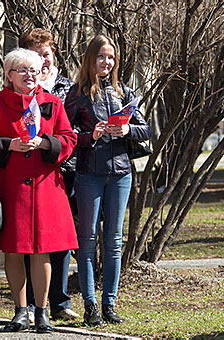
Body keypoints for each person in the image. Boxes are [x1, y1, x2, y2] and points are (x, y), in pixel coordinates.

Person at [0, 48, 78, 333]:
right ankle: (20, 311)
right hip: (11, 189)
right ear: (9, 75)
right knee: (13, 251)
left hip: (46, 188)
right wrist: (8, 145)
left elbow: (69, 139)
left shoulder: (53, 102)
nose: (29, 75)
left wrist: (46, 144)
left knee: (42, 252)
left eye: (34, 70)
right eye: (22, 70)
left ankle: (42, 311)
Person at [65, 35, 151, 326]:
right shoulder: (76, 94)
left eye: (111, 57)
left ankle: (109, 304)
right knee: (87, 242)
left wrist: (126, 131)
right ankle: (90, 306)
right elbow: (66, 135)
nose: (106, 62)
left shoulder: (123, 92)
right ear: (90, 58)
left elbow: (145, 129)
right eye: (101, 57)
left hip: (120, 174)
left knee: (113, 242)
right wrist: (92, 136)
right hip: (88, 173)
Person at [18, 27, 80, 322]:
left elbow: (75, 126)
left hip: (62, 170)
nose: (43, 60)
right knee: (30, 240)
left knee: (59, 239)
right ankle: (30, 303)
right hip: (27, 173)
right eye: (36, 55)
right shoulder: (21, 84)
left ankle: (60, 300)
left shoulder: (68, 86)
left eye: (47, 54)